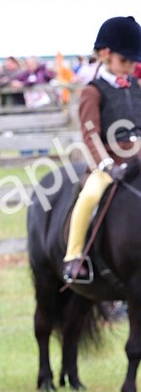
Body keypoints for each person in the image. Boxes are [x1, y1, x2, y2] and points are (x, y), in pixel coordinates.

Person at [63, 15, 141, 284]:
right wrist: (107, 164)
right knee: (89, 196)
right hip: (110, 161)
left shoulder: (135, 87)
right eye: (125, 61)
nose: (130, 67)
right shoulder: (93, 92)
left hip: (139, 159)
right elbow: (90, 134)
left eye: (133, 62)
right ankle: (74, 257)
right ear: (106, 55)